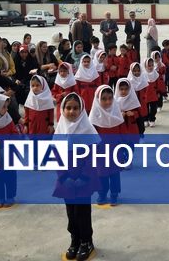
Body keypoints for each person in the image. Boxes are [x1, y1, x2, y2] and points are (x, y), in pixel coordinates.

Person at [53, 92, 99, 261]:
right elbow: (56, 158)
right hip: (67, 181)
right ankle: (75, 240)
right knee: (71, 212)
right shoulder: (60, 130)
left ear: (82, 110)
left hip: (83, 181)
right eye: (68, 108)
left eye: (75, 108)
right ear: (62, 109)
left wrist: (83, 178)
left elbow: (92, 158)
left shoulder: (87, 130)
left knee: (83, 212)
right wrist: (64, 177)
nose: (71, 111)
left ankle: (87, 241)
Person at [89, 85, 124, 205]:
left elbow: (122, 134)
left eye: (110, 98)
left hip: (115, 149)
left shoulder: (116, 114)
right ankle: (102, 193)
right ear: (98, 99)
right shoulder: (93, 117)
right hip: (100, 150)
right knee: (101, 173)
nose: (108, 101)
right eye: (103, 99)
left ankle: (114, 194)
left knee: (114, 173)